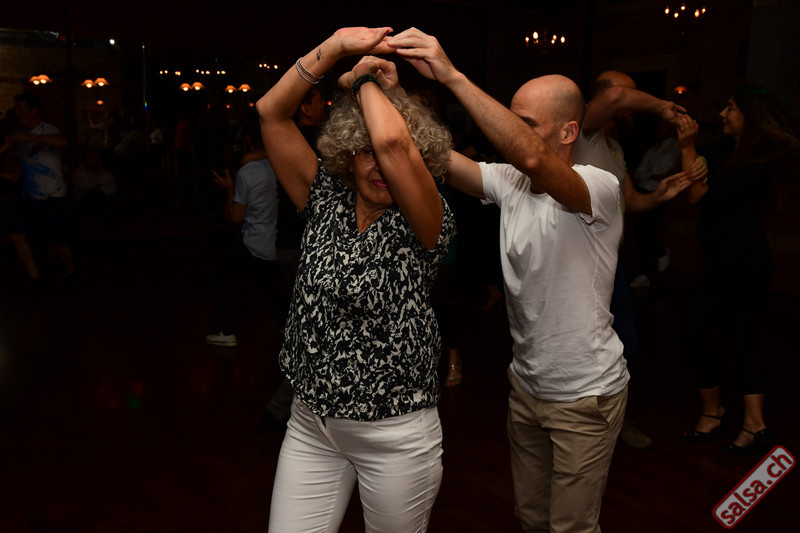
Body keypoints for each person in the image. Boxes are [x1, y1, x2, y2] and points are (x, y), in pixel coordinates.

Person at [387, 27, 629, 533]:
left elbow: (533, 157)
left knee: (571, 527)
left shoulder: (598, 188)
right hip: (526, 385)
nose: (508, 132)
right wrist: (395, 97)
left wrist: (452, 76)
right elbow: (434, 155)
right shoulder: (511, 183)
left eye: (524, 123)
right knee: (530, 518)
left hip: (585, 394)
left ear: (568, 132)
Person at [256, 27, 455, 532]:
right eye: (364, 151)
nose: (380, 164)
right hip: (311, 421)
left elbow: (392, 141)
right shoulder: (325, 198)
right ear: (347, 154)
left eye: (394, 157)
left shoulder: (426, 219)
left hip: (393, 435)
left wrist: (361, 78)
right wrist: (335, 48)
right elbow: (271, 112)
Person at [572, 70, 706, 450]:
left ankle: (614, 420)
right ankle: (580, 425)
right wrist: (664, 107)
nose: (634, 103)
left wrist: (660, 195)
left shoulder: (614, 148)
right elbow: (617, 96)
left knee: (624, 346)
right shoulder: (582, 133)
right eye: (630, 96)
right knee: (586, 349)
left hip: (611, 266)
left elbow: (630, 200)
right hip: (581, 267)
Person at [682, 85, 800, 454]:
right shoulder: (720, 150)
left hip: (745, 260)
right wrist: (690, 149)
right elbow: (693, 192)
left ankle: (745, 421)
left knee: (733, 333)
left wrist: (688, 148)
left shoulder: (758, 158)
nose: (723, 114)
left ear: (750, 114)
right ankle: (730, 417)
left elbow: (702, 194)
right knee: (708, 332)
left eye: (731, 108)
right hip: (721, 260)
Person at [205, 111, 286, 348]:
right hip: (277, 242)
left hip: (254, 244)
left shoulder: (247, 172)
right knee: (270, 284)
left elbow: (236, 217)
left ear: (248, 140)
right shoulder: (280, 165)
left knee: (220, 276)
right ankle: (283, 327)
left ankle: (228, 331)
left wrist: (230, 188)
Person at [3, 92, 76, 291]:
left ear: (34, 111)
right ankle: (34, 278)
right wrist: (16, 174)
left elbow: (63, 141)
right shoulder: (20, 135)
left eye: (21, 109)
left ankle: (71, 271)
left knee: (57, 242)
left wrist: (27, 137)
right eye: (16, 110)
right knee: (17, 235)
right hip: (29, 196)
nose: (17, 113)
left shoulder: (47, 130)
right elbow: (26, 161)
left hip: (52, 195)